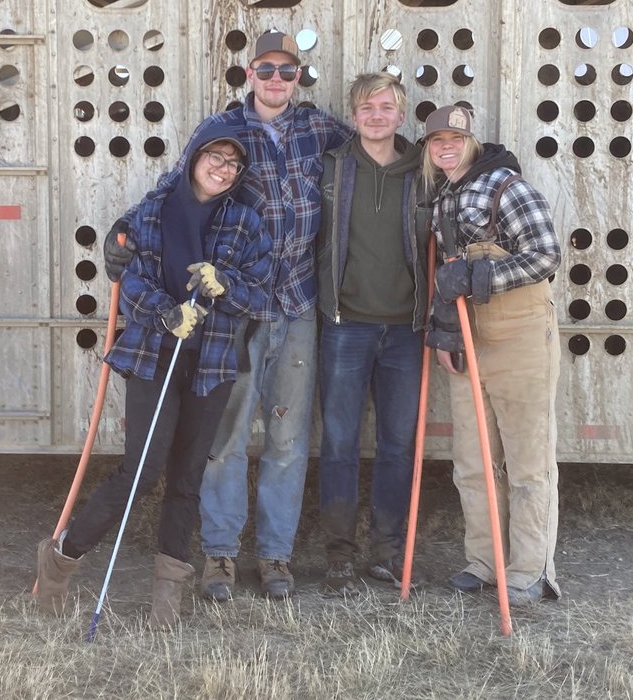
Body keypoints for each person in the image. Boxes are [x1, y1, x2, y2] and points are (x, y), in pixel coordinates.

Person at [105, 30, 350, 600]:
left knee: (288, 439)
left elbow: (383, 152)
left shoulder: (321, 129)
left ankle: (275, 557)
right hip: (232, 308)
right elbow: (170, 190)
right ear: (249, 74)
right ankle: (220, 555)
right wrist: (120, 237)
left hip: (297, 303)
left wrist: (481, 160)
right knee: (226, 438)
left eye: (287, 71)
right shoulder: (223, 132)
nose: (276, 80)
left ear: (298, 78)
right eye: (266, 69)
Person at [36, 124, 271, 627]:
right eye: (216, 157)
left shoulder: (247, 221)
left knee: (187, 478)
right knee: (141, 470)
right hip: (152, 355)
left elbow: (261, 297)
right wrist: (168, 313)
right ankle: (60, 560)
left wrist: (225, 286)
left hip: (210, 364)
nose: (223, 169)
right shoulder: (153, 209)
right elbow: (130, 276)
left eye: (234, 163)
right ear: (193, 157)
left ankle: (167, 599)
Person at [421, 104, 563, 604]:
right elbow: (446, 279)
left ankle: (530, 569)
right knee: (474, 462)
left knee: (528, 462)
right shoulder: (442, 198)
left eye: (455, 139)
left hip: (521, 335)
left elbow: (546, 255)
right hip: (469, 336)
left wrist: (482, 276)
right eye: (437, 140)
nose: (446, 147)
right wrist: (445, 331)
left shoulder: (506, 186)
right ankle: (484, 561)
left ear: (472, 142)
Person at [315, 72, 431, 594]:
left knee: (398, 446)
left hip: (406, 330)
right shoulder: (333, 168)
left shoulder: (426, 172)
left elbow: (479, 165)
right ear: (354, 115)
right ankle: (339, 554)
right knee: (338, 444)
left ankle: (388, 550)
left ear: (401, 116)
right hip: (345, 326)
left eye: (386, 107)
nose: (377, 115)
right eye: (367, 107)